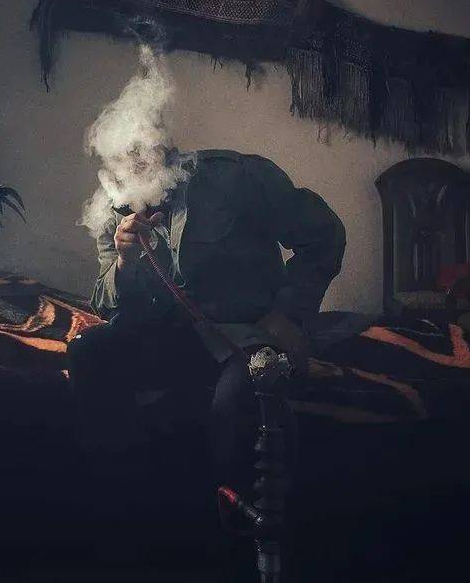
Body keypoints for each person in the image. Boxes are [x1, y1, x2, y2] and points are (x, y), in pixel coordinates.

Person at [67, 148, 346, 488]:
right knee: (87, 349)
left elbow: (324, 236)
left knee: (236, 402)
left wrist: (287, 314)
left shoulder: (236, 177)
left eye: (141, 148)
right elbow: (105, 304)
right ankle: (121, 491)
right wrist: (124, 263)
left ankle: (232, 510)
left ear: (162, 144)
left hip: (245, 336)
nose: (130, 160)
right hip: (165, 339)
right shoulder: (115, 207)